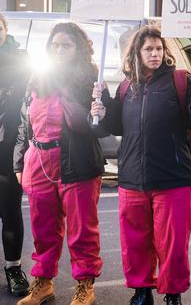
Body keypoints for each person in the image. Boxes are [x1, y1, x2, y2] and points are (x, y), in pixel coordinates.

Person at [90, 26, 191, 305]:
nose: (155, 54)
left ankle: (172, 293)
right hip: (132, 178)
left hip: (173, 178)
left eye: (158, 49)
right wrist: (102, 107)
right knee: (135, 243)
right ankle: (141, 290)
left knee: (173, 244)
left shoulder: (181, 80)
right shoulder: (125, 87)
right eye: (148, 49)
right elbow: (112, 127)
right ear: (137, 53)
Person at [14, 22, 105, 305]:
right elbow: (24, 124)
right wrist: (19, 163)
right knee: (43, 229)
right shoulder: (37, 78)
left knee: (82, 230)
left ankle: (84, 285)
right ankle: (43, 283)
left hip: (76, 162)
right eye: (55, 45)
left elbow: (97, 126)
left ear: (78, 48)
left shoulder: (89, 81)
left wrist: (87, 102)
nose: (59, 50)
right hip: (39, 162)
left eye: (66, 45)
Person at [0, 13, 30, 297]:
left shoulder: (22, 61)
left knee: (9, 210)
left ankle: (13, 268)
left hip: (8, 149)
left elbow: (29, 109)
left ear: (5, 31)